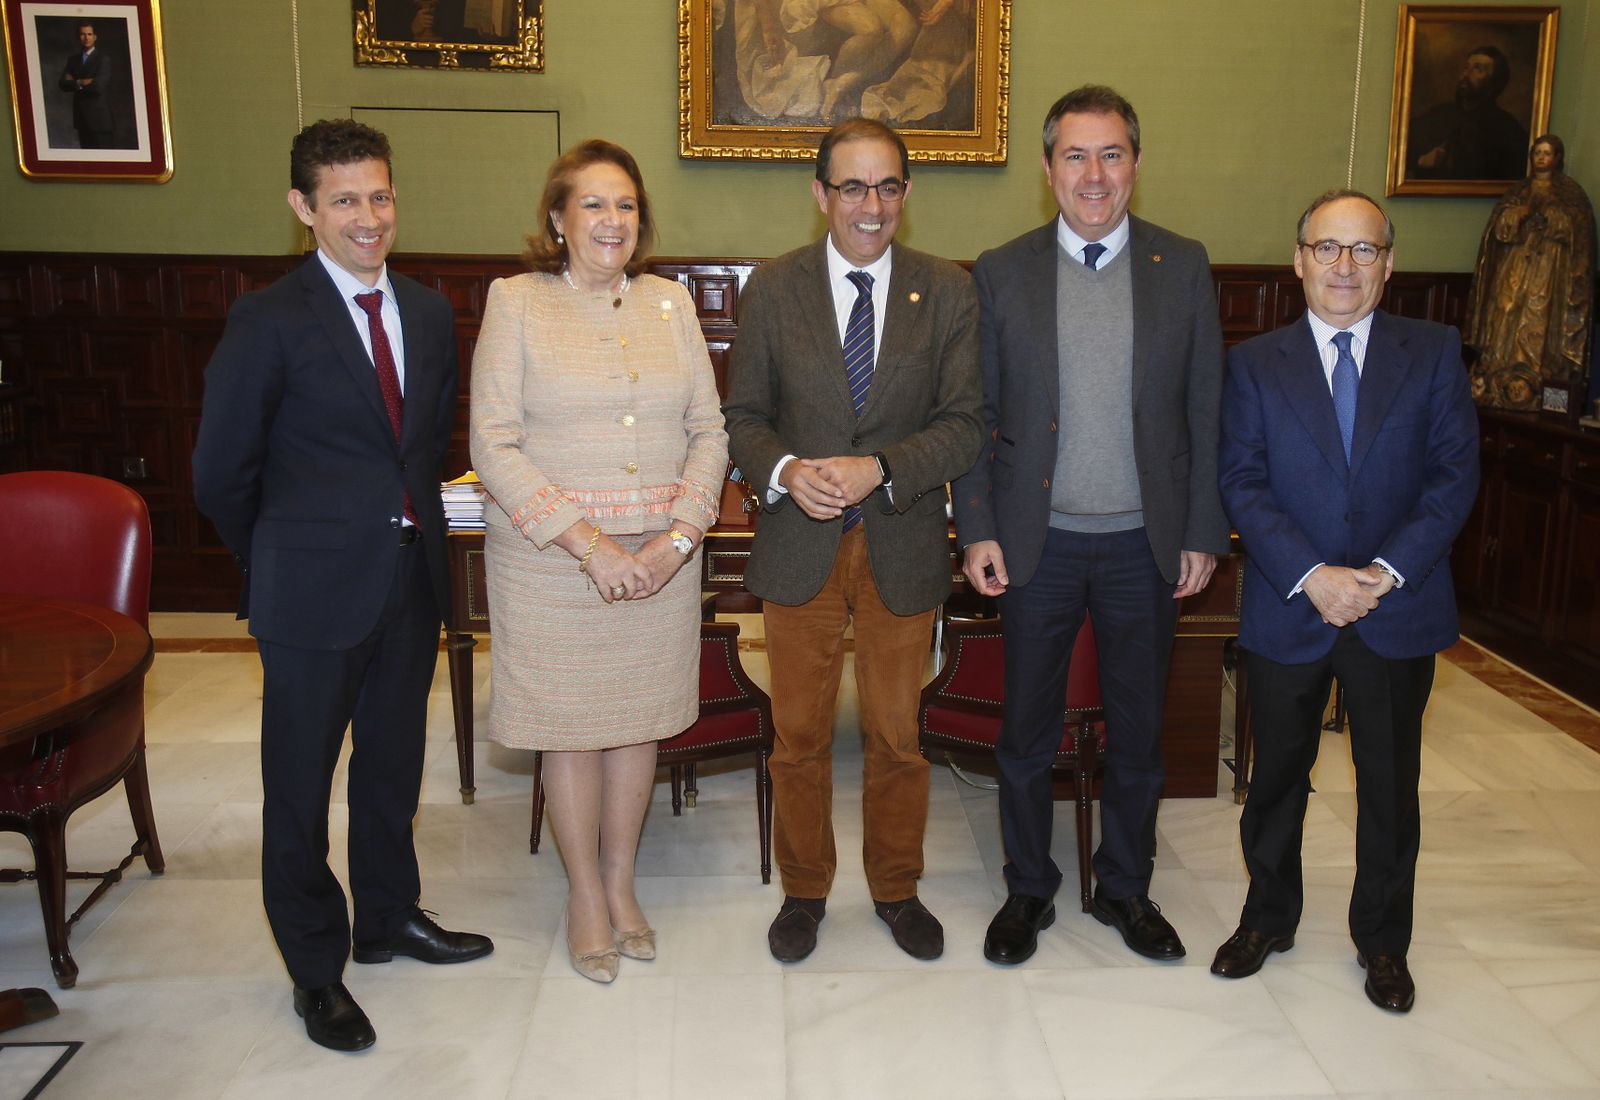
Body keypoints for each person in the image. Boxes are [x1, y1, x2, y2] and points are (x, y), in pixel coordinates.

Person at [193, 119, 492, 1053]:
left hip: (408, 582)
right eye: (346, 200)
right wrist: (276, 557)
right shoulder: (269, 318)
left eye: (381, 195)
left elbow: (423, 447)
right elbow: (219, 472)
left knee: (393, 770)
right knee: (298, 790)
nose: (369, 217)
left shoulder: (431, 311)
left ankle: (389, 918)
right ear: (304, 209)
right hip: (308, 594)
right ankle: (316, 972)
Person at [951, 85, 1229, 966]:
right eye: (1076, 155)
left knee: (1139, 735)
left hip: (1146, 546)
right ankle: (1029, 889)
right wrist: (978, 528)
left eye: (1112, 154)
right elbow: (974, 412)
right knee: (1026, 733)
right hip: (1039, 543)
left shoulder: (1182, 266)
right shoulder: (1002, 270)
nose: (1095, 174)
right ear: (1047, 169)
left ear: (1136, 166)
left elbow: (1205, 410)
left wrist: (1202, 531)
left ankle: (1126, 889)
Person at [1211, 190, 1479, 1014]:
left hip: (1399, 610)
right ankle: (1267, 917)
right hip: (1292, 607)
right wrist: (1315, 576)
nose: (1344, 267)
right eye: (1328, 248)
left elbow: (1452, 476)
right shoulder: (1256, 362)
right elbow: (1242, 483)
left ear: (1389, 265)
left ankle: (1383, 943)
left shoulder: (1432, 351)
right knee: (1276, 777)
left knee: (1389, 787)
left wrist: (1385, 573)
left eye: (1364, 251)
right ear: (1299, 261)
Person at [723, 118, 982, 963]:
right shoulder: (772, 287)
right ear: (820, 195)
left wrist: (882, 467)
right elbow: (744, 418)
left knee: (897, 736)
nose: (871, 206)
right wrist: (789, 468)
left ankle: (897, 888)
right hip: (800, 543)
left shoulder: (947, 290)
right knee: (797, 735)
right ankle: (804, 890)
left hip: (901, 544)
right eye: (852, 187)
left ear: (908, 194)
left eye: (888, 187)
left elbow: (965, 424)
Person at [469, 140, 727, 984]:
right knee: (570, 731)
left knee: (637, 723)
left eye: (625, 206)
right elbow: (494, 444)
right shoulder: (516, 303)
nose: (612, 221)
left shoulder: (670, 305)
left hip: (661, 562)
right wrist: (592, 547)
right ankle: (584, 892)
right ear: (557, 218)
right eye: (593, 205)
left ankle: (623, 882)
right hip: (554, 566)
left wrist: (677, 540)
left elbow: (710, 433)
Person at [1464, 134, 1596, 410]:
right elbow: (1499, 230)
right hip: (1514, 264)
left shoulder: (1570, 195)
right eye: (1537, 152)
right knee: (1505, 308)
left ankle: (1531, 378)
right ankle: (1496, 369)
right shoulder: (1517, 193)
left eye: (1547, 153)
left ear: (1557, 158)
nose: (1541, 158)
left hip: (1549, 270)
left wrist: (1552, 217)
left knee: (1537, 317)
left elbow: (1576, 235)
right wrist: (1519, 215)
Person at [1407, 45, 1528, 181]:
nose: (1465, 75)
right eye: (1466, 67)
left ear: (1495, 83)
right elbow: (1401, 152)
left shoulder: (1509, 129)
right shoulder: (1436, 116)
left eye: (1478, 69)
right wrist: (1421, 161)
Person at [58, 22, 112, 149]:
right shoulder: (73, 60)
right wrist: (81, 82)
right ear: (78, 37)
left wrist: (74, 82)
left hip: (100, 121)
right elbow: (62, 84)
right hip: (81, 119)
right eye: (82, 34)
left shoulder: (103, 59)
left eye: (89, 34)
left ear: (95, 37)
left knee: (104, 162)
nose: (86, 38)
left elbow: (98, 87)